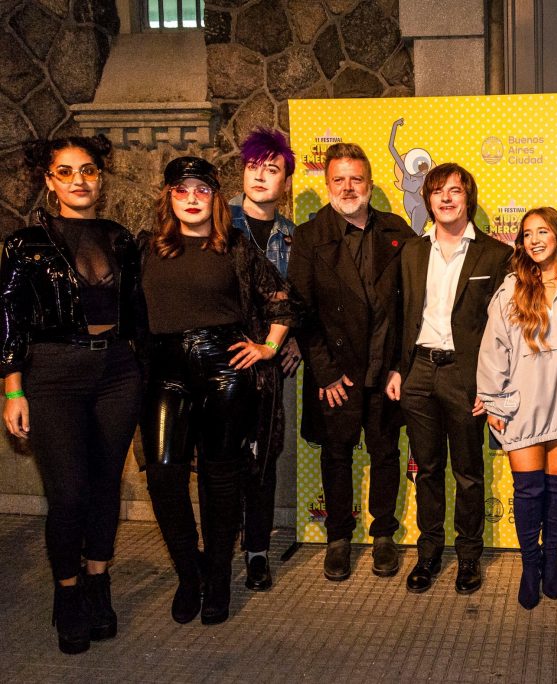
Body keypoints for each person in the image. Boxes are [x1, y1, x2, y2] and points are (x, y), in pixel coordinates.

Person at [1, 135, 144, 654]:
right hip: (54, 374)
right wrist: (12, 389)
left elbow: (140, 312)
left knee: (105, 485)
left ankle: (98, 582)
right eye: (65, 171)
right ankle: (67, 593)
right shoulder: (25, 243)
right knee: (68, 494)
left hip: (118, 372)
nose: (78, 180)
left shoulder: (120, 238)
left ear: (99, 179)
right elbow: (9, 317)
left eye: (87, 170)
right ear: (49, 180)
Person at [139, 157, 297, 626]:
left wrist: (268, 347)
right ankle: (191, 573)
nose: (192, 198)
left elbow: (282, 299)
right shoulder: (145, 248)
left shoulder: (236, 247)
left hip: (224, 369)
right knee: (163, 476)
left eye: (202, 190)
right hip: (165, 371)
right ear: (169, 196)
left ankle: (219, 579)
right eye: (182, 189)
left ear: (214, 197)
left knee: (220, 476)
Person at [289, 142, 416, 581]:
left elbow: (412, 308)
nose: (348, 187)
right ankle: (338, 538)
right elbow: (300, 310)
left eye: (356, 179)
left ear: (370, 184)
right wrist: (324, 372)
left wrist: (400, 366)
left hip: (385, 370)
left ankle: (384, 535)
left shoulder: (397, 231)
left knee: (385, 453)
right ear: (327, 184)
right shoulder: (309, 237)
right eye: (339, 179)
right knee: (337, 455)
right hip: (335, 374)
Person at [396, 162, 512, 595]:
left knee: (468, 471)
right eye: (438, 191)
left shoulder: (494, 255)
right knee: (426, 470)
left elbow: (505, 329)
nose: (446, 198)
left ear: (468, 199)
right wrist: (397, 369)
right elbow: (398, 315)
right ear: (428, 201)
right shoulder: (411, 251)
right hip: (418, 372)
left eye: (455, 191)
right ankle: (428, 553)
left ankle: (468, 556)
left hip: (466, 376)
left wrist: (491, 385)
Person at [475, 207, 557, 609]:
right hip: (523, 404)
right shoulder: (511, 289)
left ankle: (551, 561)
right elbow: (493, 348)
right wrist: (493, 400)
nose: (534, 240)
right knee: (528, 490)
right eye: (527, 234)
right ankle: (530, 566)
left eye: (542, 232)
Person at [229, 126, 300, 592]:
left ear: (285, 182)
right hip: (220, 358)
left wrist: (293, 339)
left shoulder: (293, 237)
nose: (260, 176)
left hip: (269, 364)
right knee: (220, 459)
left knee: (263, 459)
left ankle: (257, 551)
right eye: (253, 167)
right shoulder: (216, 223)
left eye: (271, 169)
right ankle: (221, 545)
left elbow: (302, 298)